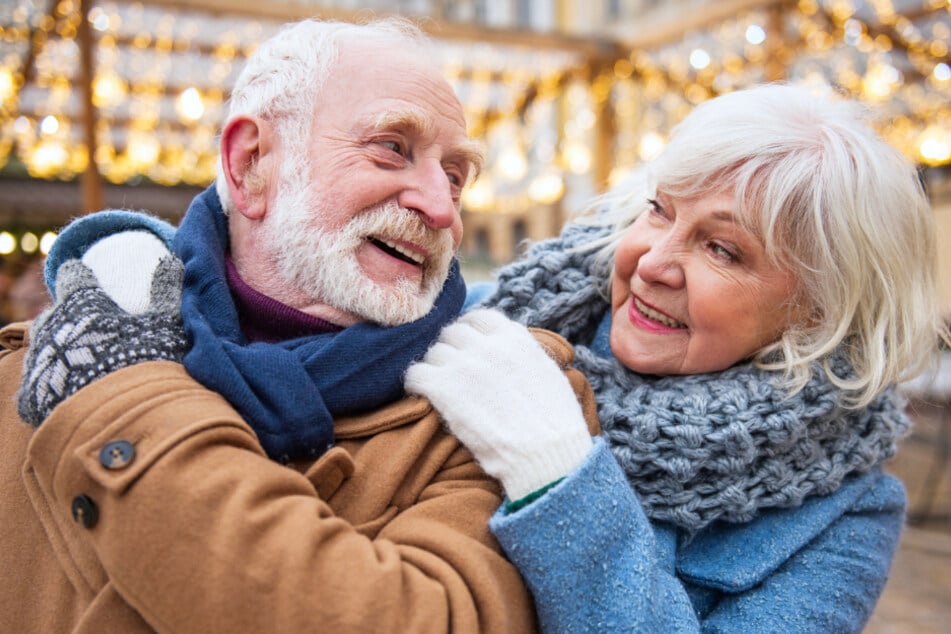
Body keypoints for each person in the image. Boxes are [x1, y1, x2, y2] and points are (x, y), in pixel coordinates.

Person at [0, 18, 599, 633]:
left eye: (454, 177)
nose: (442, 208)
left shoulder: (506, 399)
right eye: (392, 147)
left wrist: (123, 394)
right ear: (251, 163)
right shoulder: (37, 365)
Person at [405, 83, 951, 632]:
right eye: (660, 210)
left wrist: (559, 477)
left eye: (722, 249)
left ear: (819, 312)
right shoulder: (487, 322)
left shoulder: (850, 515)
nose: (652, 264)